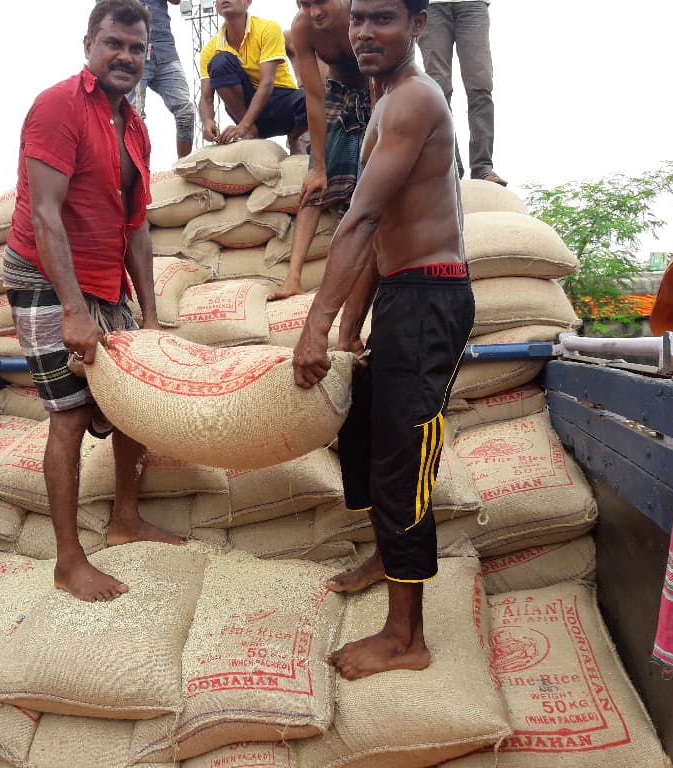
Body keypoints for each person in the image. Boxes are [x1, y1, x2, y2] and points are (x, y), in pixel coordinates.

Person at [292, 0, 475, 679]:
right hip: (400, 293)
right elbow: (382, 233)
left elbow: (364, 219)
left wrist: (314, 327)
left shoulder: (413, 101)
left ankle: (406, 638)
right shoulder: (385, 101)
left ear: (418, 25)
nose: (365, 32)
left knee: (404, 460)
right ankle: (383, 556)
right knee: (363, 433)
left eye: (384, 19)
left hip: (430, 299)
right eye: (359, 19)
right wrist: (349, 327)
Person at [3, 0, 183, 603]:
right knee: (71, 414)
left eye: (137, 48)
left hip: (105, 280)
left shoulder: (135, 126)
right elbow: (45, 214)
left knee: (134, 403)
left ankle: (125, 519)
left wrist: (151, 317)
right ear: (89, 45)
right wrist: (74, 312)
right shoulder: (57, 107)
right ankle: (67, 560)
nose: (126, 57)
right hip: (42, 276)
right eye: (114, 44)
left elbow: (136, 227)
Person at [270, 0, 370, 301]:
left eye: (320, 1)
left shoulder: (362, 12)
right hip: (337, 95)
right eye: (304, 3)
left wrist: (376, 142)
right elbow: (314, 98)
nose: (313, 11)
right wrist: (318, 166)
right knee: (312, 189)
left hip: (380, 91)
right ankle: (292, 278)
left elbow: (386, 75)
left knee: (372, 187)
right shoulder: (302, 27)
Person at [199, 0, 308, 151]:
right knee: (219, 62)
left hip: (279, 101)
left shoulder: (268, 28)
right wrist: (207, 121)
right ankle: (251, 132)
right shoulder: (210, 50)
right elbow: (206, 98)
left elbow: (267, 82)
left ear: (248, 2)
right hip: (243, 107)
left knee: (313, 100)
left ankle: (294, 136)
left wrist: (244, 125)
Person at [416, 0, 505, 185]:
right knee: (438, 91)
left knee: (480, 87)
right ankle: (450, 165)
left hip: (472, 5)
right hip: (431, 7)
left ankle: (482, 167)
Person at [131, 0, 196, 158]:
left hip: (164, 49)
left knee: (186, 112)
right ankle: (136, 176)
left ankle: (184, 168)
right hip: (133, 50)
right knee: (133, 118)